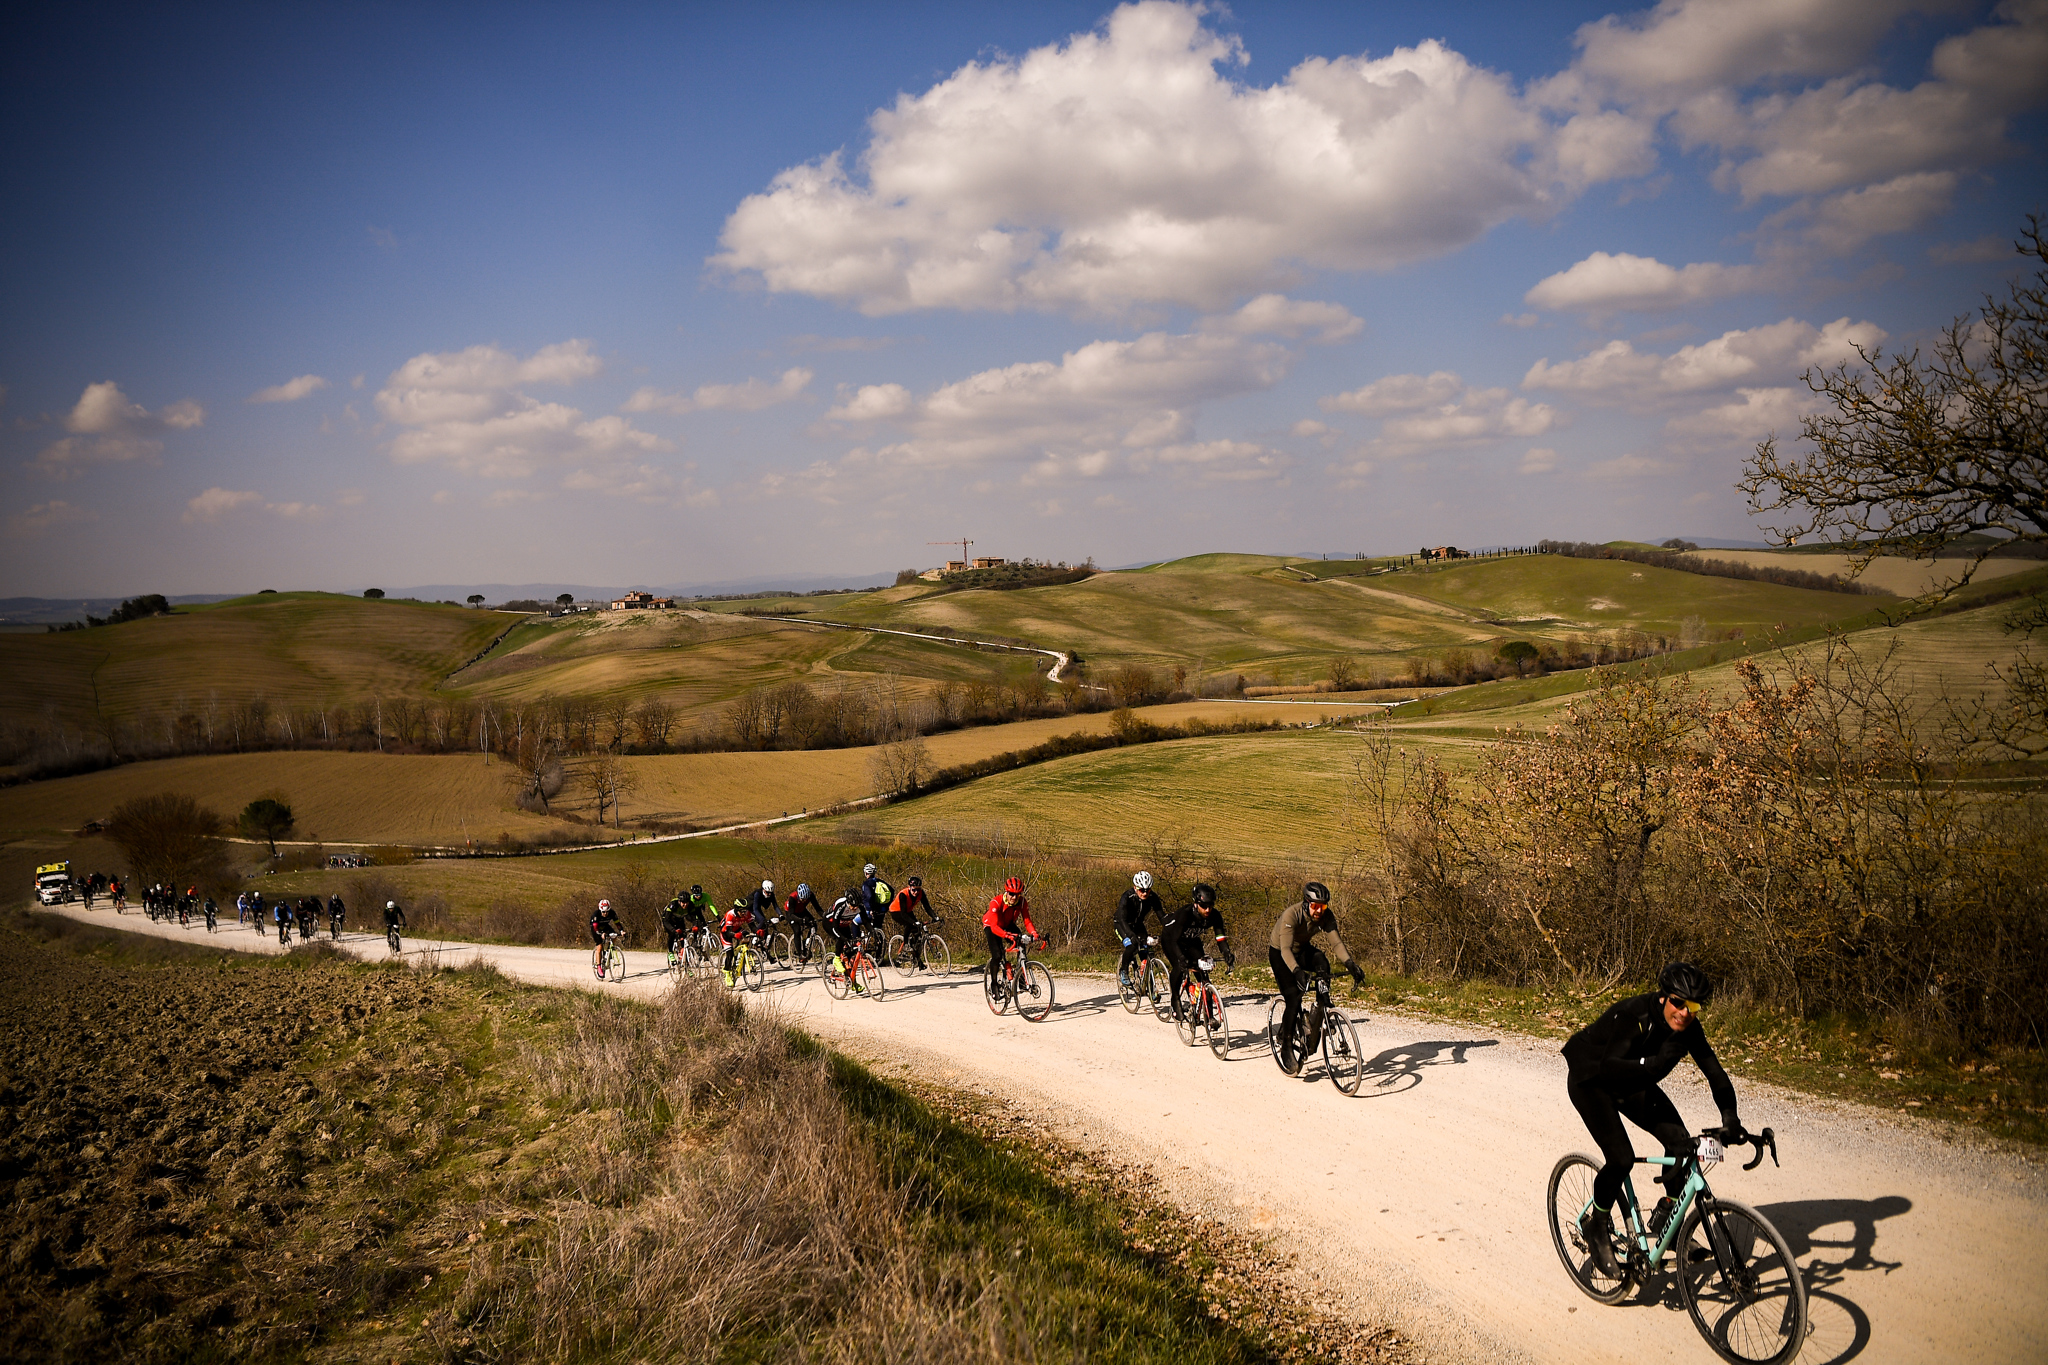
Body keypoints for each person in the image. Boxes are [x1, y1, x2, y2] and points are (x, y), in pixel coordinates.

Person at [1563, 962, 1744, 1279]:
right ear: (1663, 998)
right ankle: (1597, 1224)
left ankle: (1667, 1223)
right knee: (1621, 1158)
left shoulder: (1689, 1029)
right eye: (1678, 1002)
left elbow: (1716, 1075)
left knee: (1680, 1143)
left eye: (1693, 1006)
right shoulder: (1636, 1016)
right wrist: (1654, 1064)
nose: (1685, 1013)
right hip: (1592, 1079)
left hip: (1631, 1082)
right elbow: (1609, 1066)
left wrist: (1730, 1117)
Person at [1268, 881, 1364, 1074]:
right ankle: (1286, 1045)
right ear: (1306, 903)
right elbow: (1286, 949)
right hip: (1280, 953)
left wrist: (1350, 964)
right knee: (1293, 998)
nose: (1319, 911)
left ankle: (1319, 1009)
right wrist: (1296, 971)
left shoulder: (1326, 916)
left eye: (1323, 906)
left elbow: (1336, 943)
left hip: (1302, 950)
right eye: (1315, 906)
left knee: (1322, 962)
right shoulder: (1291, 915)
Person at [1161, 882, 1234, 1019]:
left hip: (1192, 941)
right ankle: (1175, 1000)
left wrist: (1226, 953)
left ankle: (1209, 1016)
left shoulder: (1215, 916)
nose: (1207, 910)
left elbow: (1220, 937)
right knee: (1179, 965)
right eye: (1204, 906)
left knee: (1203, 974)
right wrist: (1182, 958)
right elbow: (1174, 940)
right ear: (1196, 903)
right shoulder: (1185, 914)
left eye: (1210, 906)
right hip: (1171, 940)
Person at [981, 876, 1039, 998]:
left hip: (1008, 925)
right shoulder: (996, 902)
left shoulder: (1022, 902)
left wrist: (1034, 933)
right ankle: (994, 984)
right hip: (992, 926)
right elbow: (995, 927)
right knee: (997, 955)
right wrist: (1007, 935)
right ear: (1006, 892)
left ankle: (1022, 980)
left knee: (1021, 943)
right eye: (1011, 894)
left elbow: (1027, 921)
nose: (1014, 897)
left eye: (1017, 895)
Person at [1114, 871, 1167, 988]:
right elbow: (1122, 919)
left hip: (1138, 924)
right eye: (1141, 890)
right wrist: (1130, 935)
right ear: (1135, 888)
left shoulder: (1153, 897)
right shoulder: (1127, 897)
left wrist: (1170, 929)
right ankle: (1124, 971)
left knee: (1145, 951)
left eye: (1148, 890)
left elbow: (1162, 917)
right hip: (1122, 924)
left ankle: (1149, 986)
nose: (1145, 893)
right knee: (1131, 946)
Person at [886, 875, 939, 969]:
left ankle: (917, 960)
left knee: (918, 934)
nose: (916, 892)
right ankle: (906, 944)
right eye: (914, 890)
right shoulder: (903, 894)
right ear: (909, 887)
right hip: (896, 911)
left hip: (908, 911)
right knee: (909, 923)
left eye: (918, 890)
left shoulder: (921, 893)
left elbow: (927, 907)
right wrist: (914, 922)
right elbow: (903, 914)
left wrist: (935, 917)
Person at [783, 882, 825, 963]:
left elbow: (818, 908)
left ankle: (807, 944)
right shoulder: (792, 897)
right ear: (799, 895)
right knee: (797, 930)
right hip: (791, 913)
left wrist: (825, 916)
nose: (804, 901)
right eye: (802, 899)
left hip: (801, 910)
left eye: (806, 900)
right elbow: (791, 914)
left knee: (814, 924)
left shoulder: (810, 895)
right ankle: (800, 954)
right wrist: (800, 920)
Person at [659, 893, 692, 959]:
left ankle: (683, 958)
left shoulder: (690, 905)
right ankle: (670, 952)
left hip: (679, 919)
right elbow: (666, 921)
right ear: (679, 901)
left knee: (683, 935)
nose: (685, 905)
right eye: (683, 903)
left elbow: (692, 917)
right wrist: (673, 930)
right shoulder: (673, 905)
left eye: (687, 903)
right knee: (672, 934)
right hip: (668, 920)